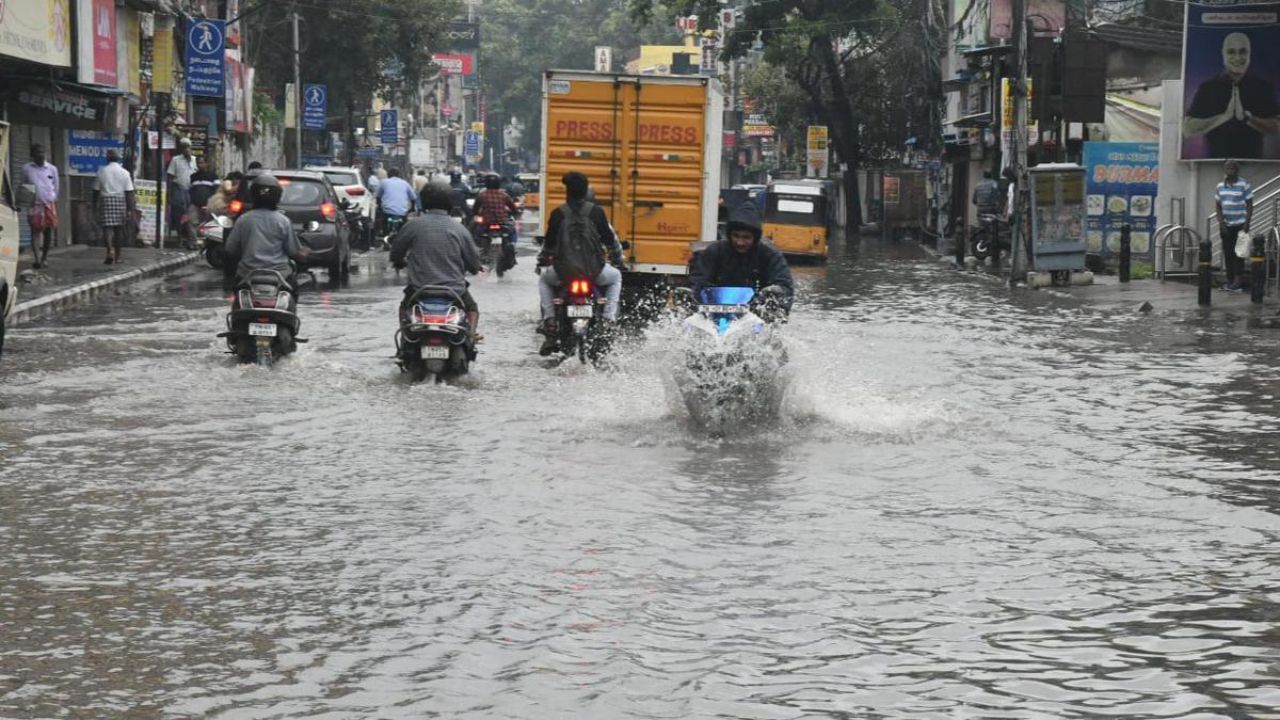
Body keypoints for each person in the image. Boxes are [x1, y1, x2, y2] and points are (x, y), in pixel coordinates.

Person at [537, 171, 624, 355]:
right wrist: (618, 259)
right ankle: (608, 320)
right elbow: (610, 241)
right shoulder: (597, 212)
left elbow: (549, 245)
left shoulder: (558, 214)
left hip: (564, 273)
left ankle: (550, 322)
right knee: (616, 277)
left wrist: (542, 261)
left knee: (544, 280)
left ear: (567, 191)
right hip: (595, 271)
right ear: (585, 192)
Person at [390, 181, 484, 338]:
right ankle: (471, 336)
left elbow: (396, 253)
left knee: (404, 307)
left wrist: (398, 261)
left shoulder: (412, 226)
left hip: (419, 290)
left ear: (424, 201)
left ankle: (405, 338)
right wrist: (475, 268)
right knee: (472, 309)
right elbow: (474, 263)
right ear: (450, 202)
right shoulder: (460, 229)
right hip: (455, 291)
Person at [1184, 32, 1280, 159]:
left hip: (1255, 164)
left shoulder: (1263, 87)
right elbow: (1188, 129)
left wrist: (1248, 119)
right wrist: (1223, 117)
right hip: (1212, 164)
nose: (1237, 57)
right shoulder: (1208, 88)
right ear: (1223, 54)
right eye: (1231, 52)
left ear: (1249, 54)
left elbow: (1277, 127)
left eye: (1243, 51)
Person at [690, 202, 794, 315]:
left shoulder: (770, 255)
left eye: (746, 237)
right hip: (715, 308)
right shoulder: (715, 251)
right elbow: (698, 281)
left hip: (755, 310)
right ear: (729, 235)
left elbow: (784, 286)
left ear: (755, 238)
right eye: (736, 236)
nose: (740, 242)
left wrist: (772, 293)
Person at [224, 174, 309, 283]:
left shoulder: (243, 220)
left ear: (253, 195)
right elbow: (293, 251)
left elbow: (230, 249)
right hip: (280, 276)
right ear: (278, 196)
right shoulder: (283, 221)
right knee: (296, 287)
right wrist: (306, 253)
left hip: (247, 275)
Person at [1216, 159, 1253, 291]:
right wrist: (1221, 223)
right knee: (1228, 253)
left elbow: (1249, 205)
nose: (1229, 171)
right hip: (1226, 225)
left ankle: (1238, 280)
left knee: (1239, 253)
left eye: (1231, 168)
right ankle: (1229, 279)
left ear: (1236, 170)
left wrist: (1247, 223)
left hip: (1240, 224)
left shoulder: (1244, 184)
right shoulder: (1220, 186)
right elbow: (1218, 206)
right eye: (1227, 168)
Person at [93, 150, 136, 265]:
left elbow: (95, 191)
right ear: (118, 159)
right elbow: (129, 192)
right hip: (120, 200)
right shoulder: (125, 173)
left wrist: (94, 206)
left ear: (107, 159)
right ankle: (118, 256)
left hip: (105, 200)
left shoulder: (101, 171)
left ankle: (109, 250)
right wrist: (130, 209)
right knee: (119, 229)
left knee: (107, 228)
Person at [21, 144, 60, 269]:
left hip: (48, 204)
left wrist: (53, 198)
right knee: (35, 231)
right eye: (38, 152)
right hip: (34, 205)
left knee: (48, 232)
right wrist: (24, 202)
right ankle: (37, 259)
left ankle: (44, 258)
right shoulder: (26, 169)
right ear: (33, 155)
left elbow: (56, 186)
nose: (41, 155)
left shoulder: (52, 169)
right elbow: (23, 186)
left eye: (42, 152)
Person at [472, 173, 521, 252]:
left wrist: (476, 214)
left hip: (486, 222)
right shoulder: (504, 195)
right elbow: (513, 208)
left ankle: (475, 247)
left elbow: (475, 209)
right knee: (513, 231)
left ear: (486, 183)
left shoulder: (481, 195)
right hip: (502, 222)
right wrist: (515, 212)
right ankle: (512, 244)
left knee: (475, 231)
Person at [166, 138, 197, 246]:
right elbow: (170, 177)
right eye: (184, 147)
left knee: (190, 215)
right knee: (179, 213)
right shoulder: (175, 160)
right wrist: (169, 193)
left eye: (187, 147)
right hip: (179, 189)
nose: (186, 149)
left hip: (191, 191)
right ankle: (180, 237)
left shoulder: (194, 160)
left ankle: (189, 237)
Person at [376, 167, 419, 234]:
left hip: (387, 212)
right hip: (402, 212)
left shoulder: (384, 182)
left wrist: (379, 206)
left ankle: (384, 234)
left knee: (383, 223)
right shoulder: (405, 183)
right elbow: (413, 198)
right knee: (403, 229)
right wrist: (412, 208)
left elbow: (378, 197)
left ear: (388, 174)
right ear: (398, 175)